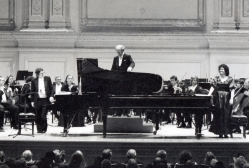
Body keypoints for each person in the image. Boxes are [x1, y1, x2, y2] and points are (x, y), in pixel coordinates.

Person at [208, 64, 235, 138]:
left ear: (226, 70)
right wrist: (209, 95)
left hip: (227, 100)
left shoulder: (230, 79)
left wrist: (231, 99)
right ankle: (219, 132)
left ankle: (226, 132)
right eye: (220, 70)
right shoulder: (216, 78)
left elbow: (232, 90)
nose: (221, 71)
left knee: (226, 115)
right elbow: (212, 88)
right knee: (218, 115)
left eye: (222, 69)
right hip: (218, 100)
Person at [111, 45, 135, 117]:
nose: (118, 53)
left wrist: (130, 67)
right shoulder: (115, 58)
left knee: (126, 97)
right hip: (117, 81)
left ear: (123, 50)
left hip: (125, 81)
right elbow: (113, 68)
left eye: (119, 52)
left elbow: (132, 63)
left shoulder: (128, 57)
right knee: (117, 97)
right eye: (117, 52)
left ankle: (126, 112)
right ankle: (118, 112)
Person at [31, 68, 53, 133]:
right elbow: (32, 91)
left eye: (43, 73)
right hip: (37, 99)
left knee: (43, 115)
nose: (43, 74)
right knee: (38, 115)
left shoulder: (47, 78)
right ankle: (39, 129)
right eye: (41, 73)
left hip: (45, 99)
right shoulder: (34, 80)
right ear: (37, 74)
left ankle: (44, 128)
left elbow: (51, 89)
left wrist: (51, 96)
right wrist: (32, 101)